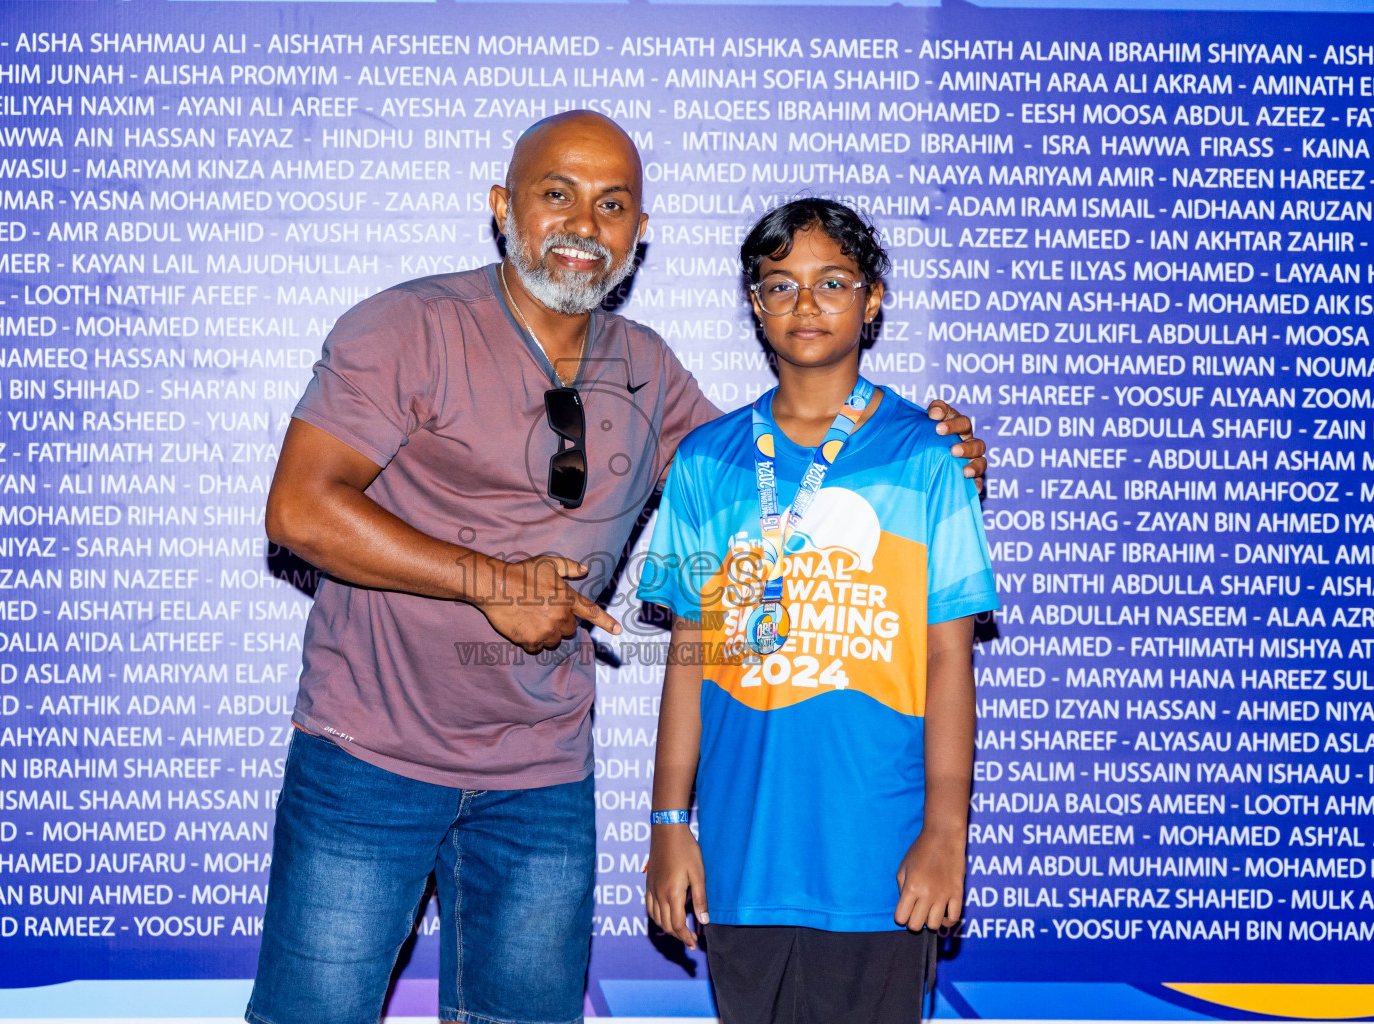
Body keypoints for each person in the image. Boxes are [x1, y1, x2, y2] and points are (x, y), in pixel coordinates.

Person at [247, 113, 987, 1024]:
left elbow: (769, 479)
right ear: (501, 207)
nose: (583, 224)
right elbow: (299, 510)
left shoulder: (648, 368)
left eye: (612, 205)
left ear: (638, 236)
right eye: (556, 193)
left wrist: (925, 448)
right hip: (370, 757)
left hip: (543, 778)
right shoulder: (408, 327)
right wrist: (490, 580)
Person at [639, 198, 999, 1024]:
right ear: (755, 305)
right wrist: (669, 823)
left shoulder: (926, 456)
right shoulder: (705, 463)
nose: (806, 305)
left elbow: (950, 659)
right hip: (743, 858)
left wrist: (946, 833)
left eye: (832, 282)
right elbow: (689, 655)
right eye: (780, 286)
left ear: (873, 298)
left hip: (879, 861)